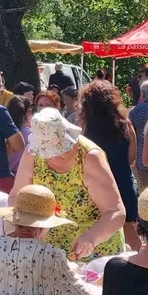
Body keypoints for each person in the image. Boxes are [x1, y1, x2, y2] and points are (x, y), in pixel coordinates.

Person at [12, 107, 125, 259]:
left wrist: (90, 238)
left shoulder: (90, 157)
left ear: (70, 139)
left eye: (58, 151)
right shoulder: (32, 154)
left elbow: (116, 212)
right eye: (48, 154)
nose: (52, 158)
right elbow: (16, 197)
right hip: (49, 250)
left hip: (95, 250)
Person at [80, 80, 140, 250]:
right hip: (123, 181)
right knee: (130, 229)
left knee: (97, 230)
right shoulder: (126, 125)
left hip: (95, 185)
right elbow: (132, 157)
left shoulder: (85, 128)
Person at [128, 80, 148, 190]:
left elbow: (129, 133)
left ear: (143, 94)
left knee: (146, 193)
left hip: (142, 159)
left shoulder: (136, 111)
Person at [7, 95, 33, 176]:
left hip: (4, 176)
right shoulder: (32, 135)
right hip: (24, 178)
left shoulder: (2, 133)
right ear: (29, 112)